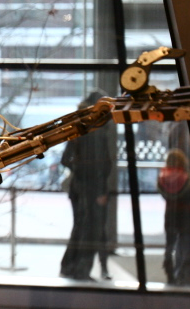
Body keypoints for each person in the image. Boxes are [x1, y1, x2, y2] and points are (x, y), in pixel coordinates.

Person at [60, 90, 113, 281]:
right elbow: (104, 165)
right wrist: (100, 189)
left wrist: (78, 169)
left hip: (78, 187)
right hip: (92, 188)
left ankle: (69, 266)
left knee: (79, 227)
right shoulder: (97, 130)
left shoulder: (78, 127)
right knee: (91, 229)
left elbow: (65, 159)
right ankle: (81, 270)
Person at [159, 122, 190, 285]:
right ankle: (186, 271)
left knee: (173, 240)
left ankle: (172, 270)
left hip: (172, 211)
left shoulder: (176, 129)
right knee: (186, 237)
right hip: (188, 205)